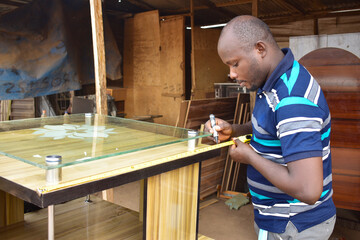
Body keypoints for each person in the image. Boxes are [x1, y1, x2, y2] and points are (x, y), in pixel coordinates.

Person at [205, 15, 336, 239]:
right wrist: (234, 129)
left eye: (235, 63)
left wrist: (250, 156)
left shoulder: (293, 100)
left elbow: (308, 190)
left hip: (294, 225)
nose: (232, 74)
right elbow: (274, 128)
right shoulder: (273, 83)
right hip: (279, 218)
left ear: (260, 49)